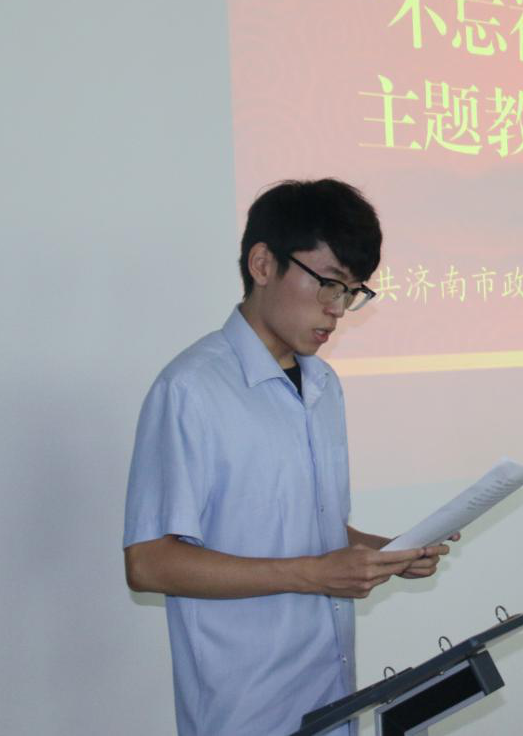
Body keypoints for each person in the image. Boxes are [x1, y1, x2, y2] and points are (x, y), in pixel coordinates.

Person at [123, 179, 451, 736]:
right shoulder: (191, 389)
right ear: (262, 264)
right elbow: (149, 561)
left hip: (331, 693)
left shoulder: (323, 386)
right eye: (328, 284)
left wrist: (386, 552)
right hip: (245, 706)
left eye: (352, 292)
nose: (337, 310)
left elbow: (313, 527)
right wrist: (315, 575)